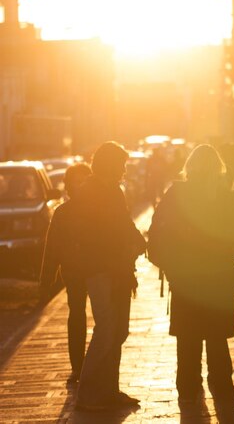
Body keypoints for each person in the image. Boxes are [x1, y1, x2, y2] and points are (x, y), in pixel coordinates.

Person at [147, 144, 234, 404]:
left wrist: (168, 267)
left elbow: (156, 232)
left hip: (185, 279)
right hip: (218, 279)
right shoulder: (225, 196)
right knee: (216, 337)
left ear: (190, 167)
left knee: (188, 337)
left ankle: (189, 386)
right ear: (218, 168)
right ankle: (221, 383)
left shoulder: (176, 194)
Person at [74, 141, 147, 412]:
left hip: (118, 269)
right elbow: (94, 233)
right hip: (100, 269)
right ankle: (87, 394)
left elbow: (124, 223)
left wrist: (139, 241)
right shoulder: (89, 192)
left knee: (118, 330)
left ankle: (109, 390)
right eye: (121, 165)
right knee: (106, 329)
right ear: (109, 164)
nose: (124, 171)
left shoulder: (114, 191)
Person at [39, 162, 92, 383]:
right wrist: (46, 280)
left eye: (83, 182)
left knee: (103, 319)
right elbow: (52, 248)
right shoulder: (62, 213)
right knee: (77, 314)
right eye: (75, 182)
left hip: (99, 269)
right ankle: (78, 366)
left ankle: (95, 365)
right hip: (75, 272)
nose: (79, 187)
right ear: (68, 187)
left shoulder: (99, 210)